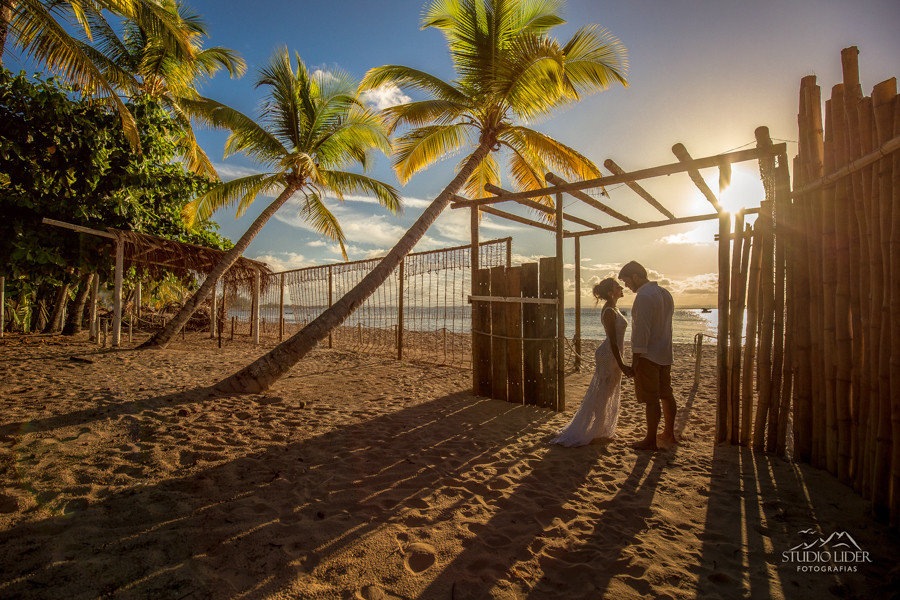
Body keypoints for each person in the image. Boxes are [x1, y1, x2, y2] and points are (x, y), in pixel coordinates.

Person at [550, 278, 631, 447]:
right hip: (609, 354)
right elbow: (613, 341)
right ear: (610, 293)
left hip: (614, 354)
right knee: (603, 393)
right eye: (618, 287)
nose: (621, 288)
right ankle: (593, 429)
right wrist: (622, 364)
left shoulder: (614, 308)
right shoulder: (609, 310)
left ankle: (598, 427)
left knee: (607, 392)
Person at [619, 260, 677, 451]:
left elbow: (641, 331)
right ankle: (669, 433)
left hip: (648, 355)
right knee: (666, 394)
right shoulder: (665, 293)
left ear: (636, 276)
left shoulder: (644, 296)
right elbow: (666, 325)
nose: (627, 286)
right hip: (664, 352)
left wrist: (636, 359)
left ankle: (650, 440)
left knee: (651, 398)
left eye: (627, 281)